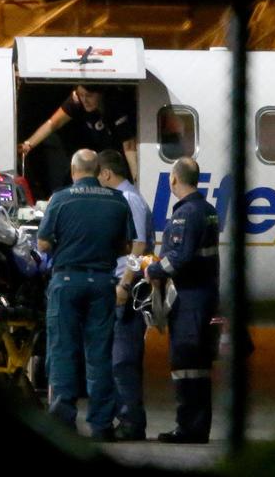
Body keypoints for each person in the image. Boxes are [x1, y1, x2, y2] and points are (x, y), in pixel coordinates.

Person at [37, 149, 135, 442]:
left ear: (73, 170)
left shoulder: (60, 198)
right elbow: (128, 246)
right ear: (97, 170)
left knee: (63, 351)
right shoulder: (118, 201)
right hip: (103, 282)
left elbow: (42, 243)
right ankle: (102, 425)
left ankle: (63, 422)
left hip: (66, 281)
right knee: (99, 355)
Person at [145, 157, 219, 444]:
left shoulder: (185, 214)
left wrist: (151, 269)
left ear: (174, 179)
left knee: (186, 362)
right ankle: (198, 426)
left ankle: (188, 428)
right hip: (205, 296)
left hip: (189, 300)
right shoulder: (209, 210)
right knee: (199, 366)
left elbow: (179, 257)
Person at [97, 149, 154, 442]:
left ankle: (132, 423)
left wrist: (125, 283)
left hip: (126, 290)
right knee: (116, 359)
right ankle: (126, 419)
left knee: (123, 360)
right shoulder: (126, 197)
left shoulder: (129, 199)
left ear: (106, 174)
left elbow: (139, 246)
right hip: (120, 285)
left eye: (98, 176)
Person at [19, 84, 138, 183]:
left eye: (89, 96)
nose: (85, 100)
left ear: (101, 94)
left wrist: (137, 179)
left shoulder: (115, 103)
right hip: (94, 152)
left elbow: (129, 145)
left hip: (118, 156)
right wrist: (28, 144)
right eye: (81, 95)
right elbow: (53, 123)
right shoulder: (76, 100)